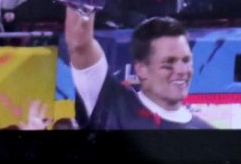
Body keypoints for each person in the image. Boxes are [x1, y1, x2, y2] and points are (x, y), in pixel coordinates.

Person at [65, 7, 212, 129]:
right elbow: (79, 44)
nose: (182, 71)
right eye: (168, 63)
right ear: (142, 69)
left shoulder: (206, 132)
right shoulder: (113, 104)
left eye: (186, 60)